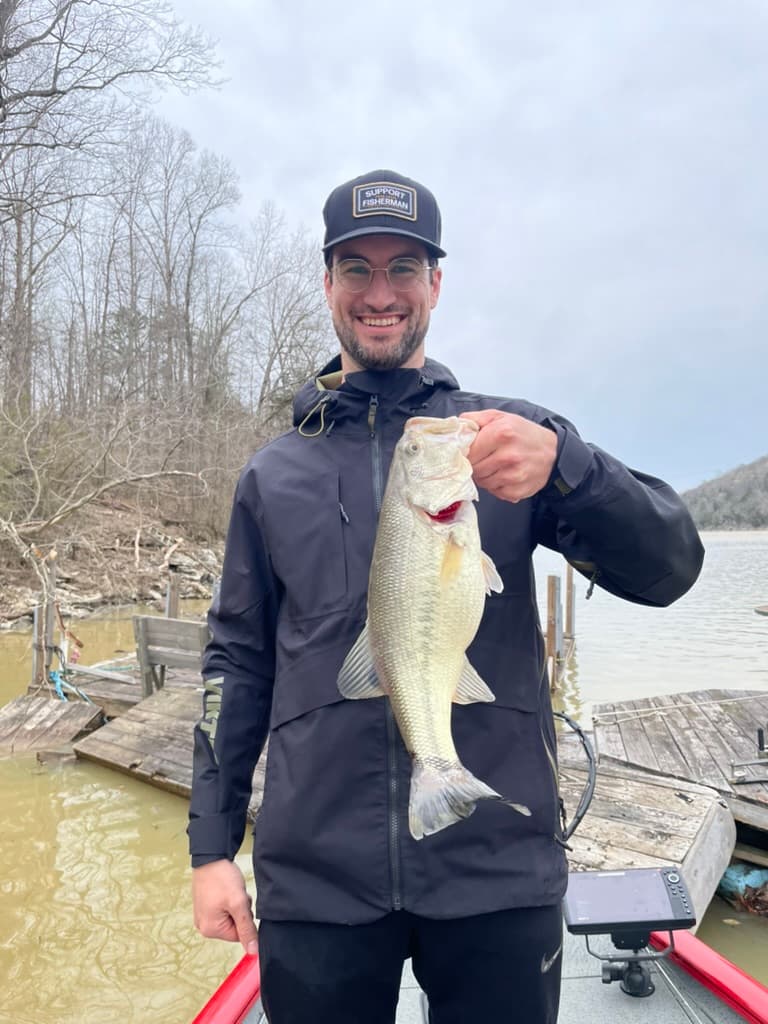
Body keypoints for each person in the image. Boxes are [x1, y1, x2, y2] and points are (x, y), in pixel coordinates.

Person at [189, 169, 704, 1024]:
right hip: (317, 880)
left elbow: (669, 571)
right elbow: (236, 665)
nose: (380, 293)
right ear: (328, 283)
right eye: (356, 269)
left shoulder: (504, 441)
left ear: (436, 282)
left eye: (403, 268)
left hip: (496, 868)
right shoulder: (272, 474)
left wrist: (571, 469)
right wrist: (212, 848)